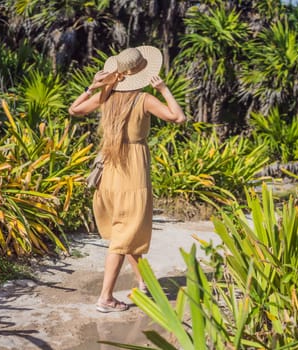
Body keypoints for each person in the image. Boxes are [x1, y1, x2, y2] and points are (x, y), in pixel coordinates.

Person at [68, 46, 185, 313]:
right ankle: (106, 298)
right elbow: (178, 117)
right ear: (144, 73)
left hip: (109, 171)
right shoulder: (144, 99)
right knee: (124, 235)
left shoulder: (106, 96)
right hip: (132, 171)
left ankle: (144, 282)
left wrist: (93, 86)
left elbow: (74, 110)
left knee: (125, 229)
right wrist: (164, 89)